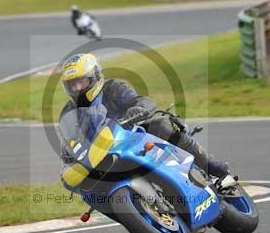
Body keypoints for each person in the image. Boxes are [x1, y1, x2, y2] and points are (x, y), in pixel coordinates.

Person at [58, 53, 230, 180]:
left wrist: (137, 109)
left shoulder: (113, 88)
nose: (78, 88)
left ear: (95, 77)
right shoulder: (68, 112)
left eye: (82, 81)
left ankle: (209, 164)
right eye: (73, 85)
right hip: (105, 156)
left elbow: (141, 101)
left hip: (134, 136)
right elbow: (69, 141)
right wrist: (69, 156)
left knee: (164, 125)